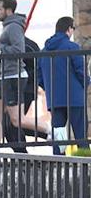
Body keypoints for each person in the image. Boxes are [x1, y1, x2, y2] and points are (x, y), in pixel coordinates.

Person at [0, 0, 49, 145]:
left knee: (17, 120)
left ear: (8, 10)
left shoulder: (14, 27)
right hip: (3, 77)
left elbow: (19, 50)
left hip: (14, 77)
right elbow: (5, 48)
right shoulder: (7, 26)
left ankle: (50, 130)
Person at [38, 16, 87, 153]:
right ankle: (86, 169)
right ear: (69, 29)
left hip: (55, 99)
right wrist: (86, 83)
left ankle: (59, 169)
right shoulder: (73, 47)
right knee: (80, 137)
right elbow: (81, 71)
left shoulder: (44, 51)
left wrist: (49, 88)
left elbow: (39, 76)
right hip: (75, 98)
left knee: (58, 137)